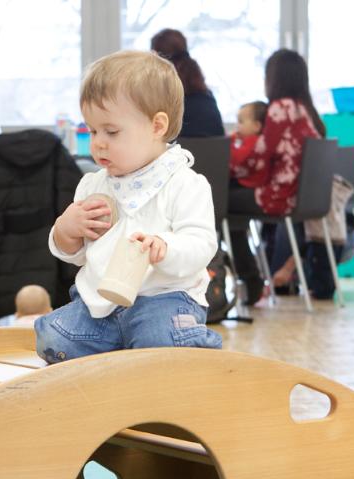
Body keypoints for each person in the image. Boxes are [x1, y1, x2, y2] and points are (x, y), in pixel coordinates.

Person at [34, 50, 222, 364]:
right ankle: (124, 356)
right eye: (92, 130)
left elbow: (201, 244)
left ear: (157, 126)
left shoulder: (185, 183)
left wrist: (165, 247)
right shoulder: (93, 185)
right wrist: (66, 231)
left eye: (111, 132)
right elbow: (80, 255)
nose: (98, 142)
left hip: (164, 300)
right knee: (51, 338)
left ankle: (191, 349)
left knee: (160, 339)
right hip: (98, 305)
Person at [227, 49, 325, 303]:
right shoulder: (305, 110)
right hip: (301, 197)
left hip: (279, 196)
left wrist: (231, 156)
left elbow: (259, 157)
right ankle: (253, 280)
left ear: (275, 78)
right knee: (229, 202)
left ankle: (251, 281)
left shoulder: (280, 109)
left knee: (219, 203)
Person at [151, 29, 224, 138]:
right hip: (215, 148)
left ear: (158, 55)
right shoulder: (206, 96)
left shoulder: (163, 96)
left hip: (174, 147)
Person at [229, 101, 268, 188]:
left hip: (248, 184)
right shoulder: (257, 141)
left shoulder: (254, 141)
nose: (237, 125)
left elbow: (236, 158)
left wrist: (230, 141)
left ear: (256, 126)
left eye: (241, 122)